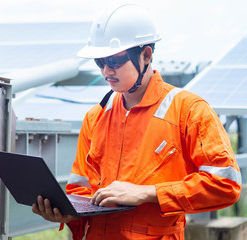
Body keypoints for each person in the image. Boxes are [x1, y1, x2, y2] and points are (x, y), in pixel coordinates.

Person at [32, 2, 242, 239]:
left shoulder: (189, 110)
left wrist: (149, 193)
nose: (106, 72)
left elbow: (225, 186)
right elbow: (80, 191)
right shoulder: (96, 117)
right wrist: (68, 213)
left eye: (114, 61)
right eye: (100, 62)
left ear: (146, 55)